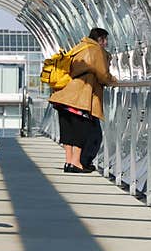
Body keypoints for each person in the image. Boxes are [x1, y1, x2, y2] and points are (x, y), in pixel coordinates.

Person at [48, 27, 118, 173]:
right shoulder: (95, 50)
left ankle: (68, 162)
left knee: (68, 130)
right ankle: (76, 163)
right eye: (105, 41)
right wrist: (113, 80)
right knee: (82, 130)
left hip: (63, 94)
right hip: (79, 96)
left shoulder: (78, 47)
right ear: (101, 39)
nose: (106, 44)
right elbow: (103, 74)